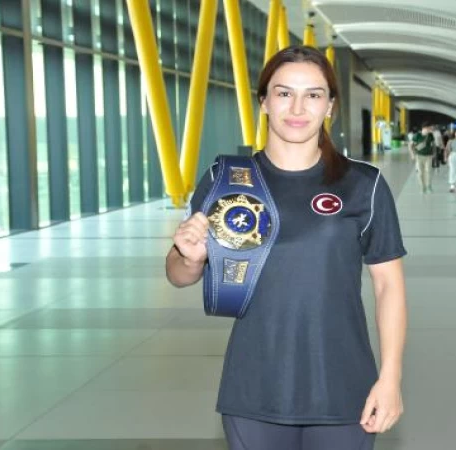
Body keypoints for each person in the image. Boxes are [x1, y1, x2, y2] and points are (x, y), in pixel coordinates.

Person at [166, 45, 407, 450]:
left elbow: (389, 287)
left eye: (313, 94)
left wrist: (391, 377)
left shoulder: (363, 185)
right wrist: (189, 258)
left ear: (330, 106)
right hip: (254, 388)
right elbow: (177, 274)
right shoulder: (228, 180)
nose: (297, 107)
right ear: (264, 102)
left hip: (343, 386)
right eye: (283, 93)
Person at [410, 123, 436, 193]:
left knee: (428, 171)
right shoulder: (417, 135)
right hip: (419, 156)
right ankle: (422, 187)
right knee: (420, 173)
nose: (430, 130)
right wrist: (412, 154)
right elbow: (411, 145)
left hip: (428, 156)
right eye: (428, 128)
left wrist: (434, 153)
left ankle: (429, 186)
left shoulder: (430, 135)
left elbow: (433, 145)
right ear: (424, 128)